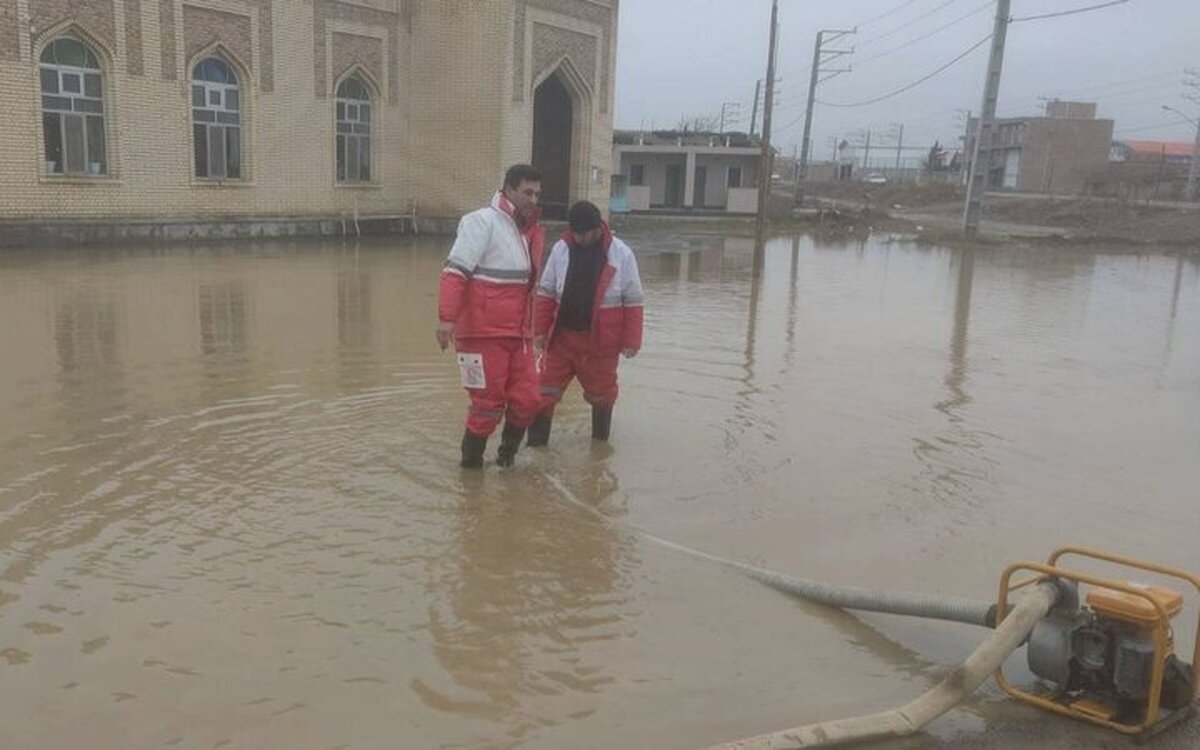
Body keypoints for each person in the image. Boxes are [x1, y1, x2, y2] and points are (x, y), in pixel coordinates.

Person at [437, 164, 546, 468]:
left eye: (537, 194)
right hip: (482, 333)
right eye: (527, 192)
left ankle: (505, 461)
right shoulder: (480, 222)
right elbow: (454, 272)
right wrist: (446, 319)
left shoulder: (528, 231)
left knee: (529, 400)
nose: (533, 199)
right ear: (509, 189)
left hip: (518, 333)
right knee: (486, 406)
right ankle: (470, 474)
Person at [529, 201, 643, 446]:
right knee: (542, 394)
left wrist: (632, 341)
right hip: (561, 339)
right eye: (576, 233)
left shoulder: (621, 253)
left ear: (598, 228)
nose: (579, 239)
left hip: (601, 344)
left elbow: (633, 299)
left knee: (603, 396)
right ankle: (535, 449)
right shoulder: (561, 249)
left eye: (585, 233)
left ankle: (599, 452)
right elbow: (546, 293)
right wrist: (539, 331)